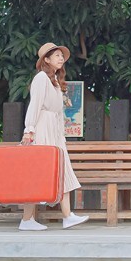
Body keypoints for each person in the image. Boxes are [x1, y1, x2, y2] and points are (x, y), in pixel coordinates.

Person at [18, 42, 89, 231]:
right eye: (56, 55)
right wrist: (29, 129)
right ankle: (26, 220)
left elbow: (58, 114)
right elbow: (35, 105)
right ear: (46, 60)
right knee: (38, 173)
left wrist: (61, 136)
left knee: (61, 170)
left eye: (61, 55)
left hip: (55, 132)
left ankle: (67, 216)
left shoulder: (55, 81)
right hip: (42, 129)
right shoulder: (41, 78)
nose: (60, 58)